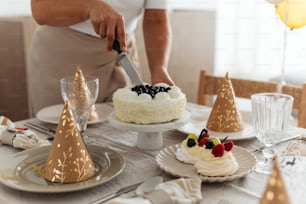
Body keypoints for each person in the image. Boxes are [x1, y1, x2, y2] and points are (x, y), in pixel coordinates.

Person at [28, 0, 174, 115]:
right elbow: (40, 8)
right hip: (63, 54)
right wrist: (89, 6)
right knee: (63, 140)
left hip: (122, 51)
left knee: (125, 137)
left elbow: (156, 18)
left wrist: (159, 69)